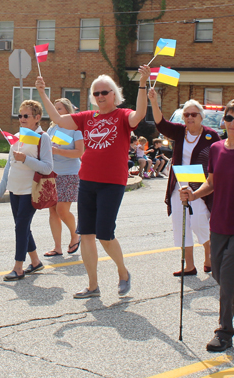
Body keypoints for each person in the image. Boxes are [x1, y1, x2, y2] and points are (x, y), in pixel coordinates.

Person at [35, 65, 151, 298]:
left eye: (104, 92)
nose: (100, 97)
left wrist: (143, 83)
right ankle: (92, 285)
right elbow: (57, 118)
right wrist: (42, 93)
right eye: (96, 94)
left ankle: (123, 272)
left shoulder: (122, 115)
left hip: (112, 183)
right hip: (87, 180)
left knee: (105, 234)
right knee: (86, 233)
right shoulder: (88, 117)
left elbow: (139, 115)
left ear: (114, 94)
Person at [180, 97, 234, 352]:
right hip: (218, 223)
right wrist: (194, 194)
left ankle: (224, 332)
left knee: (227, 276)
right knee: (218, 274)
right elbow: (212, 182)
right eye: (228, 118)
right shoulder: (217, 149)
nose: (232, 123)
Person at [148, 91, 220, 276]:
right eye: (186, 114)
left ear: (201, 117)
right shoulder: (180, 132)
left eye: (193, 114)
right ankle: (189, 265)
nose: (189, 117)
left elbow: (220, 159)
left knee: (199, 222)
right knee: (181, 224)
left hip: (200, 186)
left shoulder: (212, 136)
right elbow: (161, 123)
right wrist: (154, 101)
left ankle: (209, 257)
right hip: (179, 185)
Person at [0, 100, 53, 281]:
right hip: (14, 190)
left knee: (21, 227)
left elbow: (47, 168)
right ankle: (36, 261)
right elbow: (8, 167)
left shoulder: (43, 137)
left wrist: (25, 159)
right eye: (20, 115)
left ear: (37, 118)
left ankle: (18, 267)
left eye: (26, 116)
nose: (22, 119)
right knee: (22, 226)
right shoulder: (16, 137)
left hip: (30, 190)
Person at [44, 98, 84, 257]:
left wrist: (58, 151)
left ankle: (75, 234)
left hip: (70, 173)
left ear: (67, 112)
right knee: (52, 211)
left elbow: (79, 152)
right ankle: (57, 247)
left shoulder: (75, 129)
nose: (56, 112)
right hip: (52, 173)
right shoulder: (51, 130)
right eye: (55, 109)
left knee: (61, 209)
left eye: (59, 109)